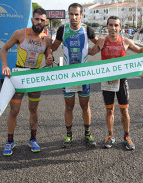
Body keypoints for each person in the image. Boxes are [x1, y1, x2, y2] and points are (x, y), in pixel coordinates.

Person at [88, 16, 143, 150]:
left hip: (121, 81)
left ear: (120, 27)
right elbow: (91, 52)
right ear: (107, 26)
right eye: (111, 25)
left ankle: (126, 136)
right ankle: (110, 135)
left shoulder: (125, 41)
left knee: (124, 110)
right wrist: (77, 47)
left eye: (116, 25)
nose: (113, 28)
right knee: (109, 110)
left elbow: (138, 50)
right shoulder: (102, 42)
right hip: (107, 81)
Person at [0, 8, 53, 156]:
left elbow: (49, 61)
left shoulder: (47, 40)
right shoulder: (20, 33)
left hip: (35, 78)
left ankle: (33, 139)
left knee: (33, 109)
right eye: (37, 19)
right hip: (18, 77)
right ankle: (10, 141)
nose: (39, 22)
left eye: (42, 20)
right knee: (14, 111)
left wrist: (50, 60)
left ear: (45, 22)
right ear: (32, 20)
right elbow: (3, 49)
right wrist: (5, 66)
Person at [51, 3, 98, 148]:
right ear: (68, 15)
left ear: (81, 15)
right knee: (69, 106)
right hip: (68, 76)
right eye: (71, 14)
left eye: (76, 14)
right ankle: (69, 135)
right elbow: (53, 47)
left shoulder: (87, 29)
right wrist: (45, 47)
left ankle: (87, 134)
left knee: (85, 105)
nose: (73, 17)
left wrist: (92, 51)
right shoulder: (62, 30)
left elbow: (100, 44)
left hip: (84, 75)